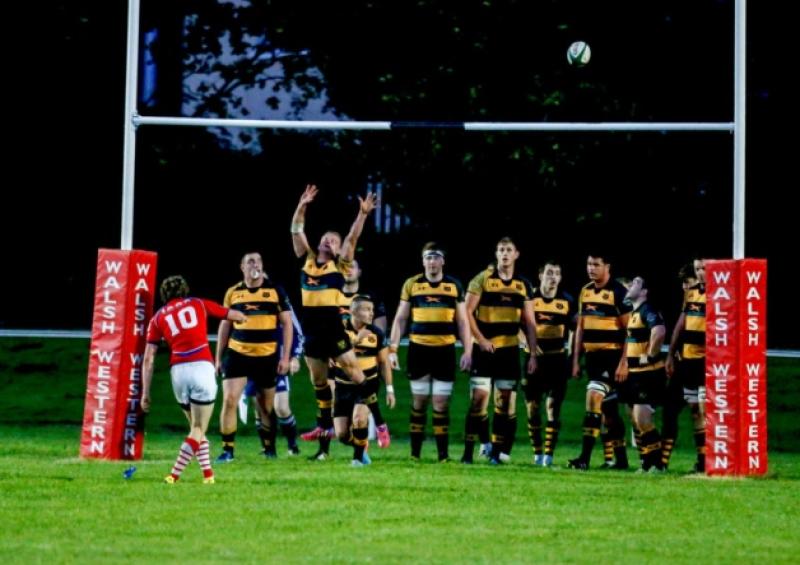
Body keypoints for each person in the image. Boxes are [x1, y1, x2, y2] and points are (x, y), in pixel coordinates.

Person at [290, 184, 377, 460]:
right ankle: (325, 431)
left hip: (332, 331)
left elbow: (351, 238)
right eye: (326, 238)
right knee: (318, 381)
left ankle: (377, 421)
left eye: (333, 241)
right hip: (312, 333)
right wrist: (302, 205)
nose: (329, 241)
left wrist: (362, 215)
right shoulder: (307, 260)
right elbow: (295, 230)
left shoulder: (339, 266)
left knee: (354, 374)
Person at [142, 275, 247, 484]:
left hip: (178, 373)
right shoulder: (198, 303)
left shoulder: (157, 318)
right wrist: (245, 316)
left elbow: (148, 359)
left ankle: (208, 476)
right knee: (199, 428)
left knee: (195, 427)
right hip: (201, 367)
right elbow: (234, 315)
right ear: (184, 291)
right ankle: (174, 474)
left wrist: (145, 392)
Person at [389, 242, 472, 462]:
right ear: (422, 260)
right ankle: (415, 454)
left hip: (444, 350)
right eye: (428, 257)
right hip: (418, 350)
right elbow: (401, 318)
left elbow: (463, 322)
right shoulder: (412, 284)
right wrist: (393, 349)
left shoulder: (454, 286)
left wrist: (467, 351)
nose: (432, 262)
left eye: (436, 257)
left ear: (442, 261)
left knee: (441, 404)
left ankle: (443, 456)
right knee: (419, 401)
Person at [460, 237, 537, 465]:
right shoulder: (482, 279)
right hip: (484, 351)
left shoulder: (523, 284)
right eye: (501, 250)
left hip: (509, 352)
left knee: (504, 403)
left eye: (509, 250)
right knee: (479, 400)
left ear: (516, 254)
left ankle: (497, 453)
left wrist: (532, 353)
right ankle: (467, 452)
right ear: (496, 254)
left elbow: (530, 323)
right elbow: (467, 312)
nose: (505, 254)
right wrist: (481, 340)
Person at [214, 252, 293, 462]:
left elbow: (287, 324)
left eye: (258, 261)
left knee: (265, 406)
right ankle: (227, 451)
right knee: (230, 400)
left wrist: (286, 358)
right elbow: (225, 324)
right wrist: (218, 358)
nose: (255, 265)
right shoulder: (233, 292)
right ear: (242, 267)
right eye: (250, 261)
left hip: (266, 356)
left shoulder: (275, 290)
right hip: (238, 354)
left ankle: (269, 448)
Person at [568, 254, 632, 471]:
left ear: (607, 267)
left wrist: (624, 363)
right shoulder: (585, 291)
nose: (591, 268)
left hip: (612, 358)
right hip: (593, 358)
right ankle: (621, 460)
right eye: (588, 264)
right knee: (610, 413)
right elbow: (581, 328)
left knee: (593, 396)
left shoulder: (618, 293)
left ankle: (584, 458)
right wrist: (576, 360)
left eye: (596, 265)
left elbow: (629, 331)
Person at [522, 260, 576, 467]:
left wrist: (572, 356)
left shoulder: (566, 300)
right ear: (540, 275)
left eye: (557, 274)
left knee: (552, 406)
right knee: (532, 407)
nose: (553, 277)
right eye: (549, 273)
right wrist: (529, 345)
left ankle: (548, 456)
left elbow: (575, 328)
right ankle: (536, 454)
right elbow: (519, 325)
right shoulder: (530, 298)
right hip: (532, 360)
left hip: (557, 360)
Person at [333, 294, 396, 466]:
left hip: (368, 385)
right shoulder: (339, 328)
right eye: (367, 309)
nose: (371, 313)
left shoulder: (376, 333)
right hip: (343, 386)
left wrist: (389, 389)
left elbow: (384, 363)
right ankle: (361, 445)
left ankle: (358, 459)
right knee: (341, 434)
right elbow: (336, 353)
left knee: (359, 419)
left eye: (372, 310)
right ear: (353, 311)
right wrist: (357, 339)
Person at [617, 276, 667, 472]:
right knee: (637, 419)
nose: (630, 285)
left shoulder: (648, 310)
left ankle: (657, 464)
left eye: (635, 283)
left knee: (642, 417)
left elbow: (660, 331)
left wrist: (650, 354)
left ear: (644, 291)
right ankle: (648, 463)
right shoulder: (635, 313)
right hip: (636, 374)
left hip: (649, 374)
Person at [339, 259, 391, 447]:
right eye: (344, 266)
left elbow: (379, 329)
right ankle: (326, 448)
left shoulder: (371, 297)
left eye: (352, 266)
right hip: (339, 365)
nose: (348, 270)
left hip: (363, 362)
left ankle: (366, 445)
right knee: (341, 431)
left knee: (360, 415)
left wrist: (378, 347)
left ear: (360, 271)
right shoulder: (332, 296)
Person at [239, 305, 304, 455]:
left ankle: (292, 447)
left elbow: (297, 333)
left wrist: (294, 356)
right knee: (260, 408)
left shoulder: (280, 302)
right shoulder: (243, 299)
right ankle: (267, 448)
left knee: (281, 407)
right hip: (253, 361)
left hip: (277, 364)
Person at [663, 258, 707, 472]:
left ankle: (705, 460)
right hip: (687, 361)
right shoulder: (691, 293)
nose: (700, 273)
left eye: (704, 269)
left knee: (702, 410)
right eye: (698, 269)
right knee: (687, 408)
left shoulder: (721, 293)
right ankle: (662, 462)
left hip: (707, 363)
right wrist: (671, 354)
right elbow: (681, 324)